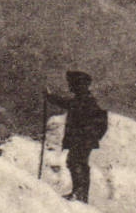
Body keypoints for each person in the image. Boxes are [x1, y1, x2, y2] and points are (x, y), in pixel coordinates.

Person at [46, 70, 110, 203]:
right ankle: (79, 193)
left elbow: (68, 104)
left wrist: (50, 97)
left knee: (76, 162)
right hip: (84, 139)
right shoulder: (85, 99)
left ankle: (79, 194)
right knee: (77, 162)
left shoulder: (84, 100)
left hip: (82, 139)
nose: (70, 86)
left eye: (72, 84)